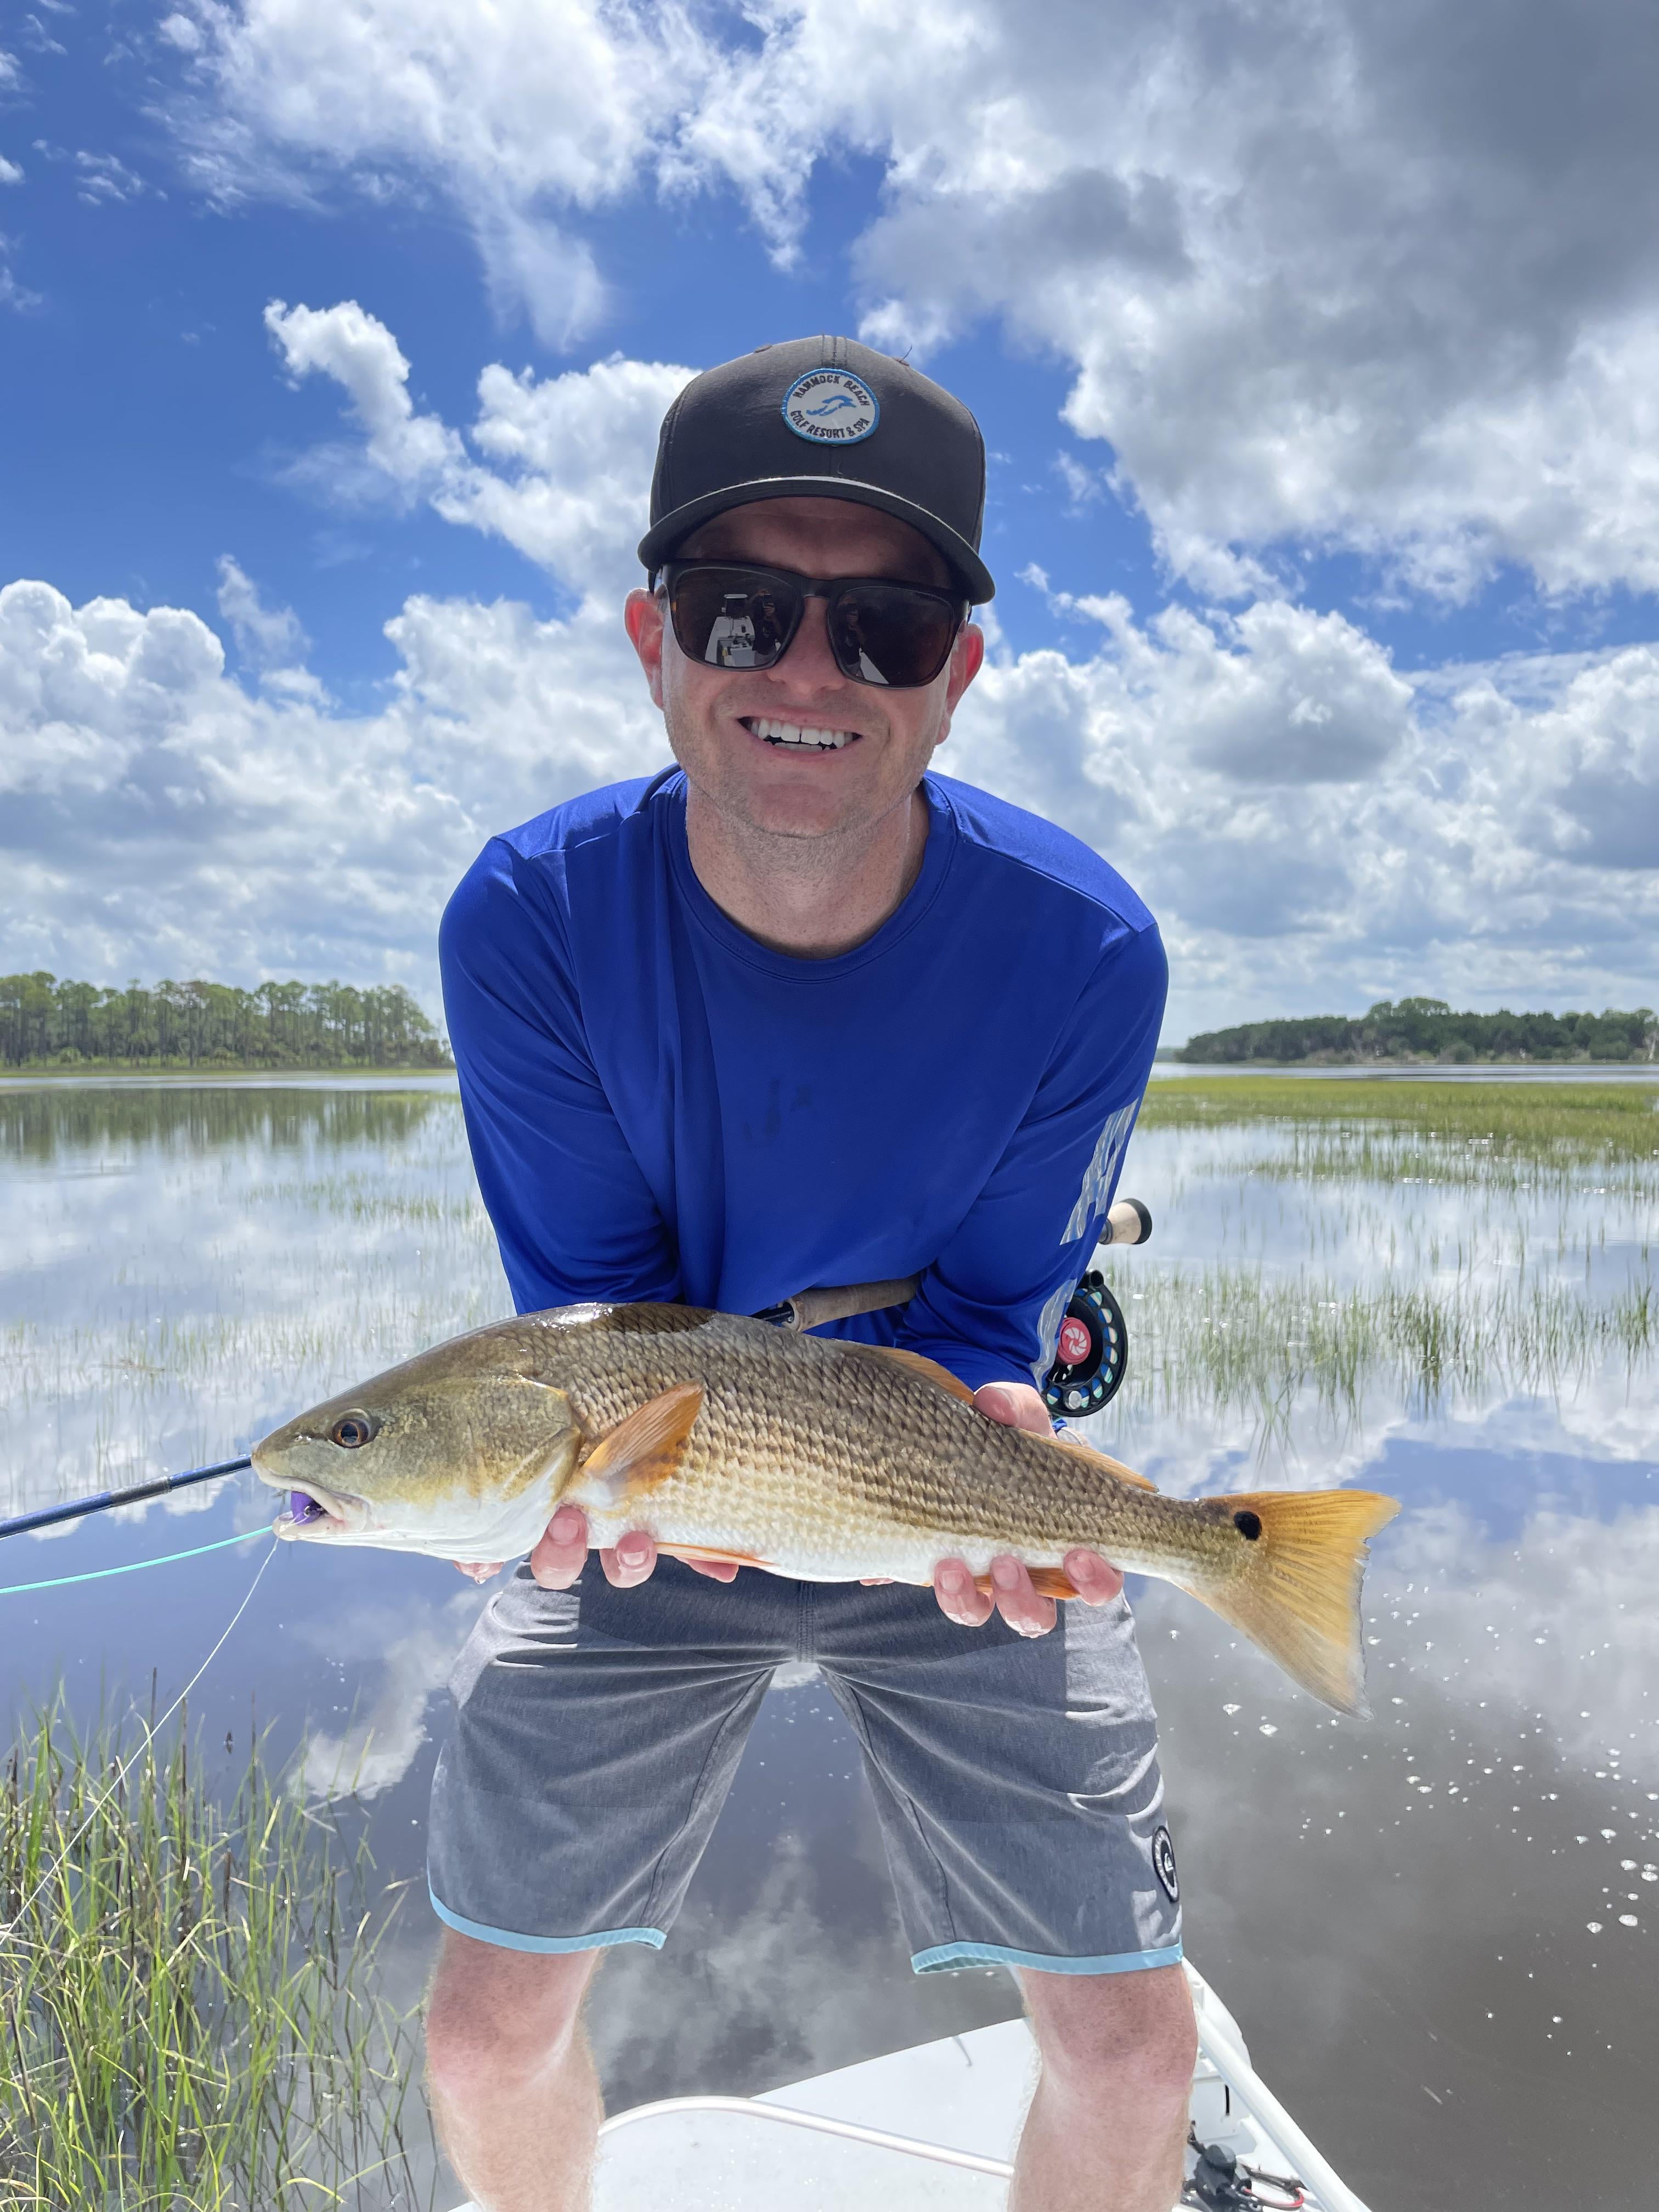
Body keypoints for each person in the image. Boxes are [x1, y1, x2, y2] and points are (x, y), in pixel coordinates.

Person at [423, 335, 1195, 2212]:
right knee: (482, 2036)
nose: (806, 673)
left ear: (957, 677)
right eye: (741, 610)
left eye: (887, 627)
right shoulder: (526, 921)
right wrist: (579, 1489)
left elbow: (990, 1317)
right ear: (654, 642)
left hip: (926, 1481)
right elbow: (606, 1320)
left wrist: (984, 1441)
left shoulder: (1092, 953)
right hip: (646, 1486)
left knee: (1131, 2047)